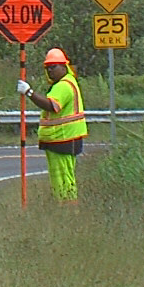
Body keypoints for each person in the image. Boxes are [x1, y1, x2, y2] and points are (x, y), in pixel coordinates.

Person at [16, 47, 88, 201]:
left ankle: (67, 208)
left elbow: (51, 106)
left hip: (64, 140)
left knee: (63, 179)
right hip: (61, 140)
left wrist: (29, 92)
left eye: (54, 67)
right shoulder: (67, 83)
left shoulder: (64, 85)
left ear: (64, 66)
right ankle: (64, 205)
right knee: (61, 178)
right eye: (48, 68)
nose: (50, 71)